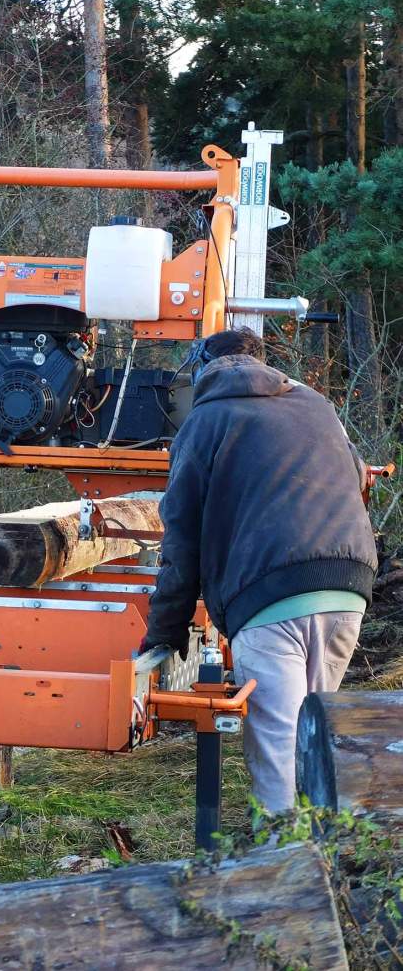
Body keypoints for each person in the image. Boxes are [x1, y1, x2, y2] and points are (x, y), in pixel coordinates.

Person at [142, 327, 377, 813]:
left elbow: (180, 539)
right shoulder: (316, 404)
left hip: (268, 598)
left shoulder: (206, 421)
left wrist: (163, 634)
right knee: (313, 732)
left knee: (275, 739)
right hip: (347, 587)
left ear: (203, 369)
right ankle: (321, 855)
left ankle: (282, 864)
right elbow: (356, 476)